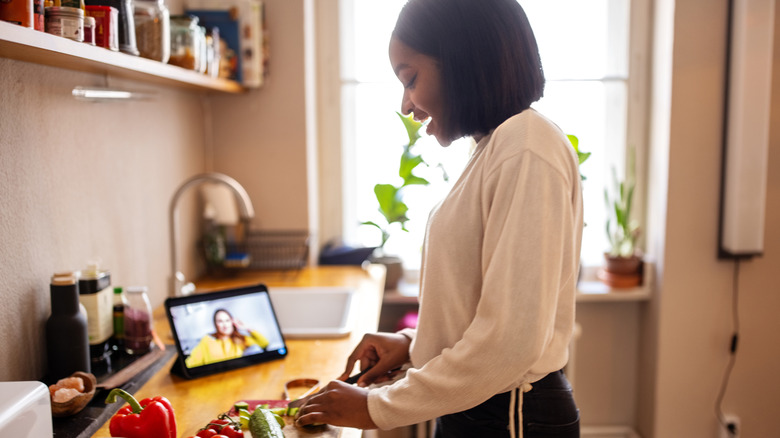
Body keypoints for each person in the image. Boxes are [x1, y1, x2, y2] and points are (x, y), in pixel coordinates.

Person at [296, 0, 583, 437]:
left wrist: (375, 406)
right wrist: (414, 345)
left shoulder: (526, 148)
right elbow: (481, 309)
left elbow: (509, 343)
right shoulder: (495, 147)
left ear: (463, 61)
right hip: (480, 406)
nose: (407, 105)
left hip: (510, 417)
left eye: (410, 79)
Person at [185, 308, 269, 368]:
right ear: (215, 324)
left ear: (232, 322)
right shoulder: (207, 340)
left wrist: (247, 328)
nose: (224, 325)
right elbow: (192, 362)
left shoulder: (239, 339)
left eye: (227, 320)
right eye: (220, 321)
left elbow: (264, 343)